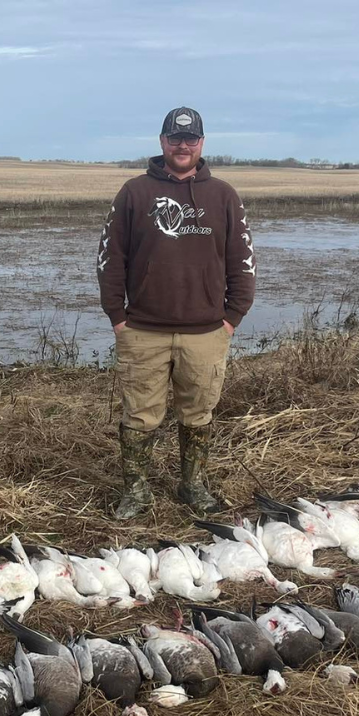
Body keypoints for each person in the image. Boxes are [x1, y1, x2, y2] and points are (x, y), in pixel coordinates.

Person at [96, 106, 256, 519]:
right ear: (162, 141)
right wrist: (118, 316)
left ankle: (193, 485)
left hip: (206, 332)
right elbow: (110, 260)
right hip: (143, 330)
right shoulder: (133, 193)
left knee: (198, 412)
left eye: (190, 139)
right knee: (140, 415)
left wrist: (231, 317)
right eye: (174, 138)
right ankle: (136, 491)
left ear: (202, 143)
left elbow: (244, 260)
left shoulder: (223, 196)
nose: (182, 146)